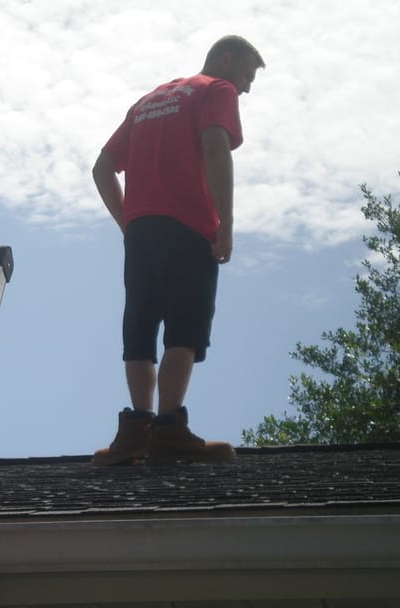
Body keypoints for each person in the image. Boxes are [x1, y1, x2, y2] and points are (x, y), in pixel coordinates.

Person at [91, 35, 265, 466]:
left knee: (140, 323)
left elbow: (102, 168)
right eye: (245, 75)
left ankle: (136, 430)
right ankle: (168, 429)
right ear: (225, 61)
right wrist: (224, 224)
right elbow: (215, 148)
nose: (244, 88)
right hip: (189, 228)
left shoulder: (150, 100)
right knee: (184, 328)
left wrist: (128, 223)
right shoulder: (215, 90)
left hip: (143, 232)